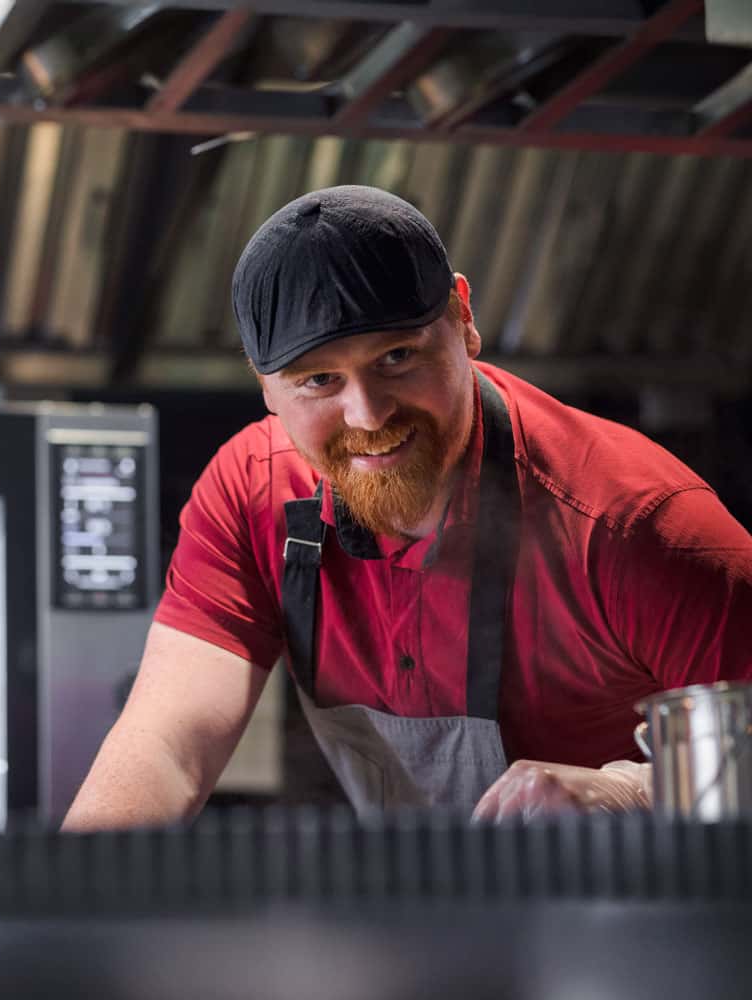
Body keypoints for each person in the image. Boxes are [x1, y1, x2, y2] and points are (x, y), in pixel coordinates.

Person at [63, 185, 752, 830]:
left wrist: (628, 793)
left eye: (397, 356)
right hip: (433, 925)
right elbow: (168, 744)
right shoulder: (251, 494)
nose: (367, 414)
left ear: (463, 319)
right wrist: (65, 923)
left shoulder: (635, 526)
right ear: (266, 388)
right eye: (319, 380)